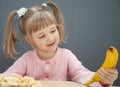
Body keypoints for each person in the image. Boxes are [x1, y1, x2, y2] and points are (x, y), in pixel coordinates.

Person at [2, 1, 118, 87]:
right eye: (42, 36)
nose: (50, 38)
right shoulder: (26, 60)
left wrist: (103, 79)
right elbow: (6, 78)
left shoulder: (66, 56)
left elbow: (82, 76)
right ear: (29, 40)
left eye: (53, 30)